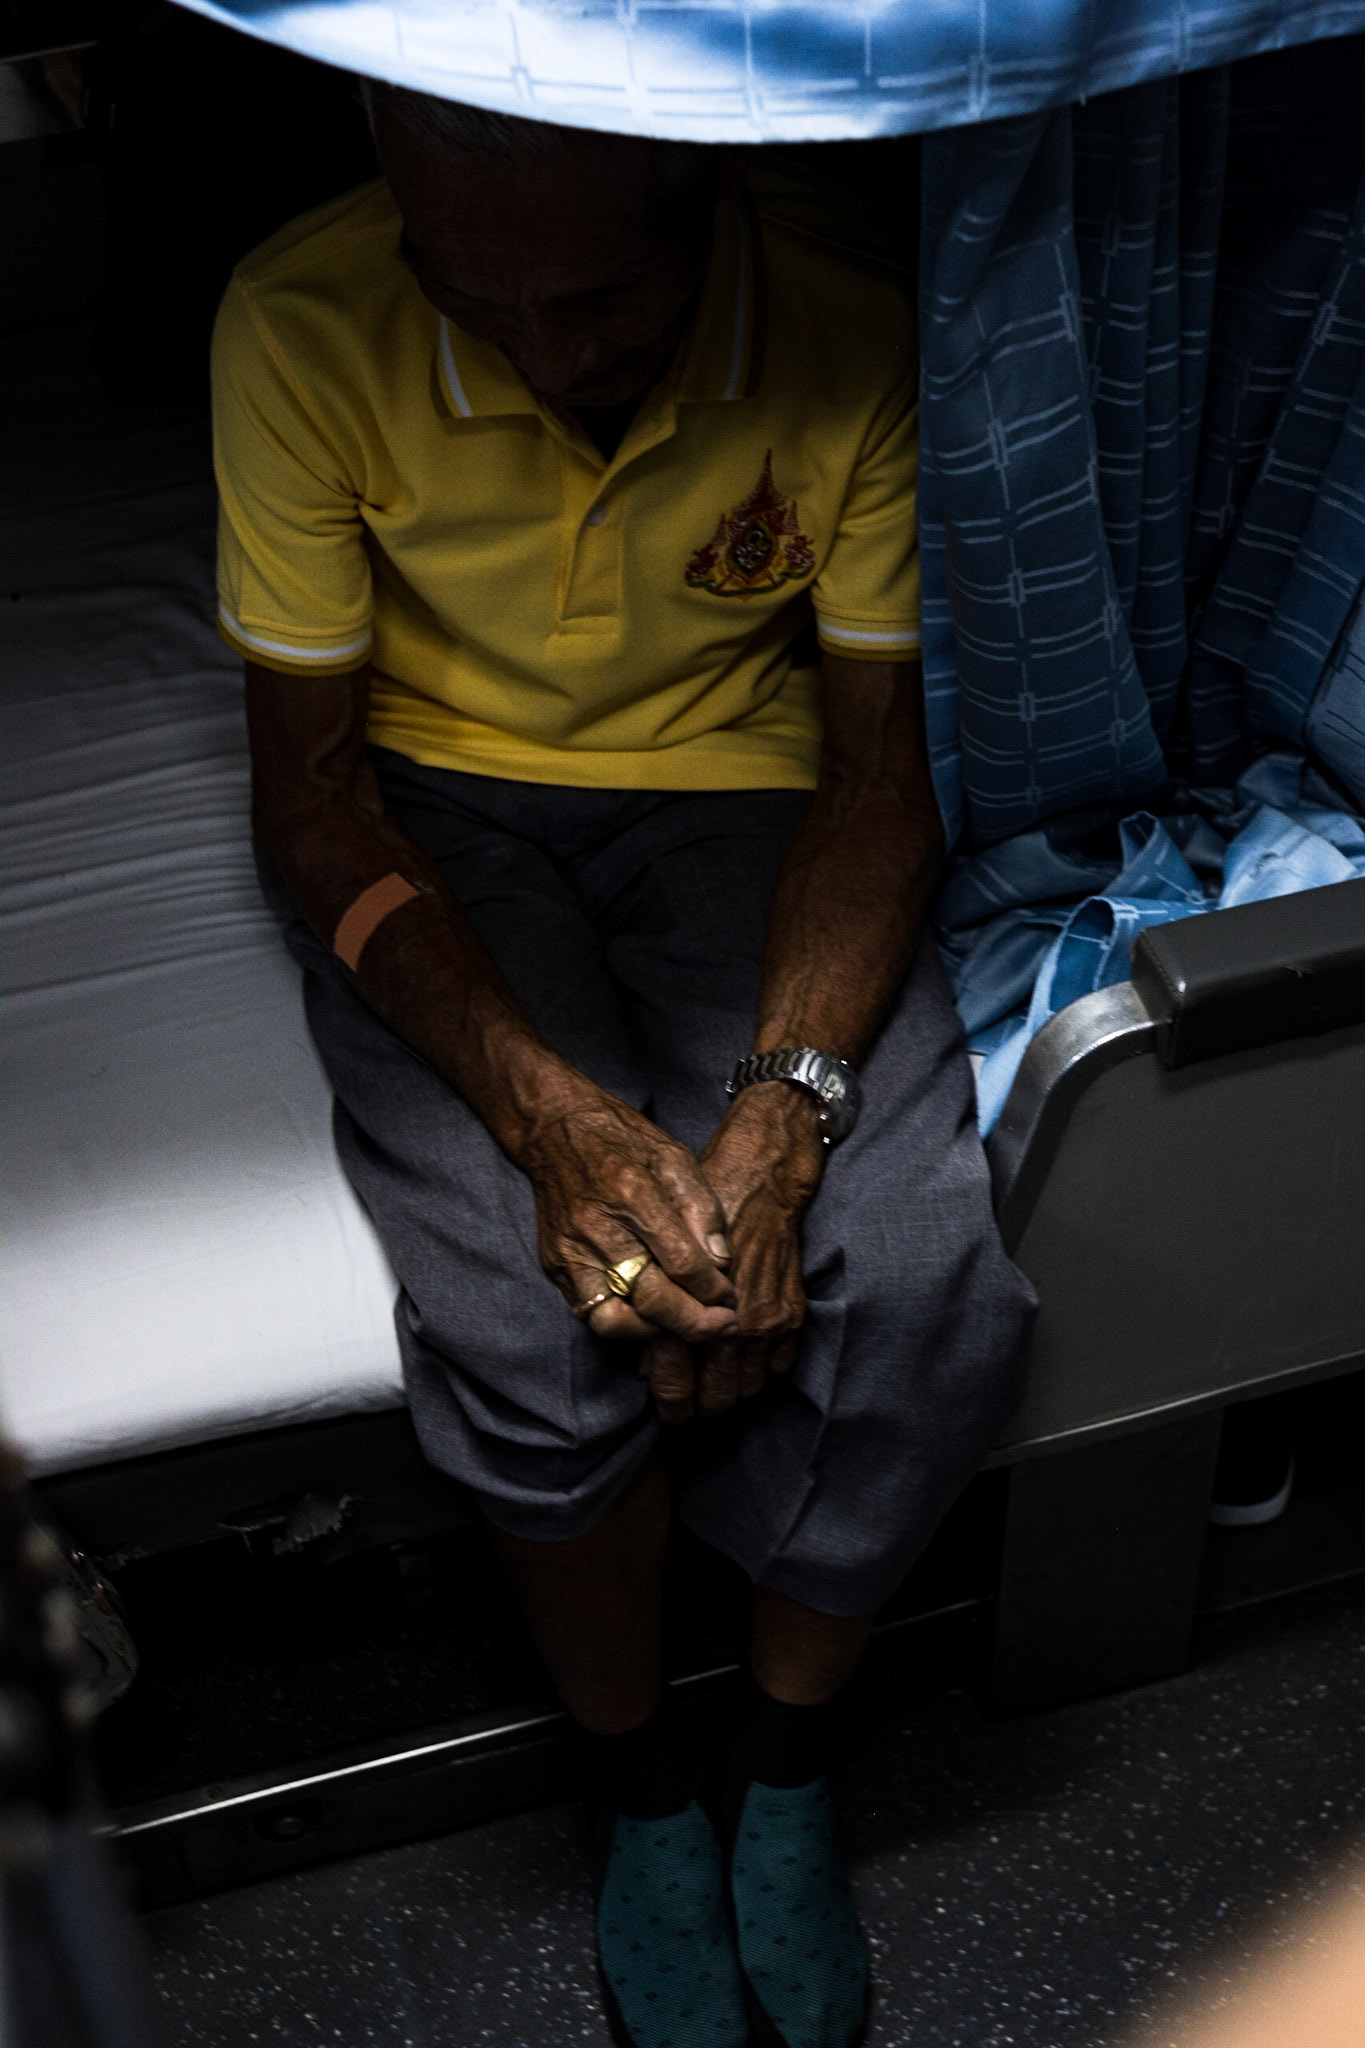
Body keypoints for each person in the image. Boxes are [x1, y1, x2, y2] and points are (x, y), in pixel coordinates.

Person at [211, 81, 1035, 2048]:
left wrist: (783, 1113)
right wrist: (547, 1113)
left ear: (703, 202)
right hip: (425, 808)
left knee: (923, 1270)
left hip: (738, 789)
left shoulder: (841, 319)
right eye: (475, 301)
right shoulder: (298, 320)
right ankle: (640, 1778)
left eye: (595, 303)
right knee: (525, 1314)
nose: (542, 353)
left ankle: (781, 1756)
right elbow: (313, 803)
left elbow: (878, 775)